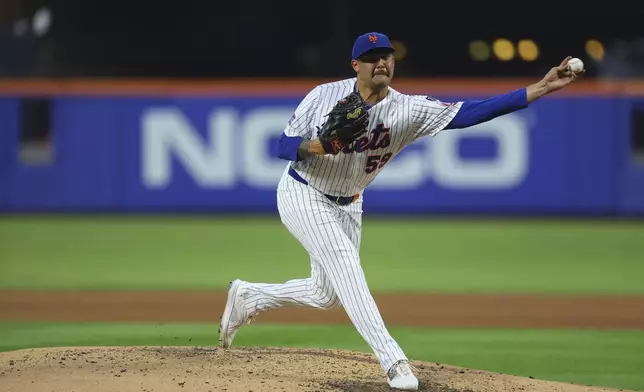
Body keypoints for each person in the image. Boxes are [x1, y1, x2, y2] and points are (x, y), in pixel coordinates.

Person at [219, 32, 583, 390]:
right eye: (373, 57)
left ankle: (250, 296)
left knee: (327, 294)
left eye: (388, 57)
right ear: (355, 65)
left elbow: (469, 113)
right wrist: (320, 145)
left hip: (350, 202)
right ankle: (393, 361)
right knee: (347, 265)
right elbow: (282, 146)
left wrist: (541, 88)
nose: (382, 62)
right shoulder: (325, 95)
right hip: (303, 192)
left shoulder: (407, 109)